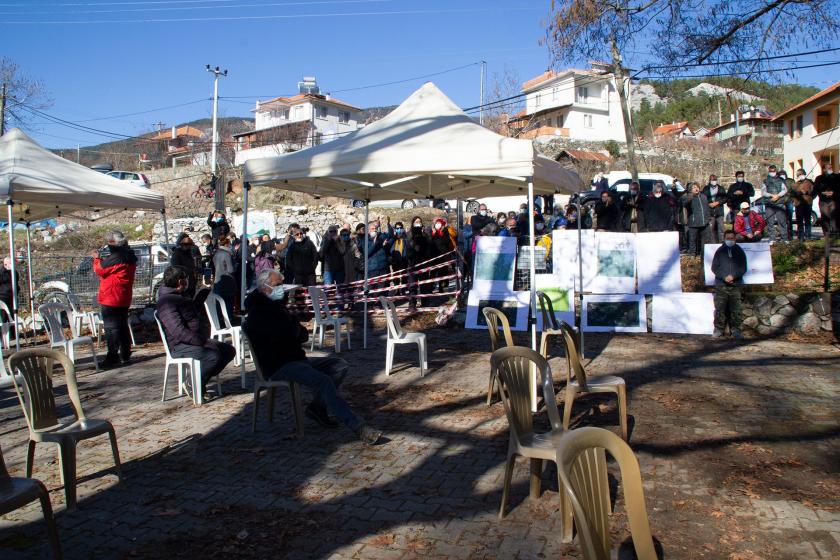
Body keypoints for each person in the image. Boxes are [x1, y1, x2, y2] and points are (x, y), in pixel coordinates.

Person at [243, 269, 381, 445]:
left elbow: (300, 335)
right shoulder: (258, 313)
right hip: (278, 365)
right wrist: (292, 331)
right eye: (278, 285)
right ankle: (357, 426)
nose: (282, 289)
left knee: (339, 365)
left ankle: (317, 408)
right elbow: (280, 338)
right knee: (323, 381)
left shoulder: (278, 307)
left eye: (282, 285)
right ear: (265, 288)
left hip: (296, 358)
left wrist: (292, 331)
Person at [157, 266, 236, 397]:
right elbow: (178, 332)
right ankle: (193, 384)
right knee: (212, 356)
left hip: (195, 340)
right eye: (185, 279)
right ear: (179, 281)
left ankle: (199, 380)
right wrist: (201, 341)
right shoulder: (166, 302)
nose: (188, 281)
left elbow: (193, 310)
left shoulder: (180, 295)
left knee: (228, 351)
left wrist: (204, 289)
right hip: (180, 345)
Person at [92, 230, 137, 367]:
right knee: (122, 326)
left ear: (113, 242)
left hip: (111, 296)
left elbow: (100, 270)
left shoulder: (117, 256)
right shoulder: (130, 255)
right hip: (124, 296)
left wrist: (96, 258)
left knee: (111, 328)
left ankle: (112, 356)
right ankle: (125, 353)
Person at [711, 230, 747, 338]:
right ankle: (718, 330)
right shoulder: (719, 251)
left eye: (732, 238)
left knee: (736, 310)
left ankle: (736, 330)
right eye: (728, 238)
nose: (730, 240)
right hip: (721, 284)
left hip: (735, 285)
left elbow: (743, 268)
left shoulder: (739, 251)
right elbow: (714, 267)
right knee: (720, 309)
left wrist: (733, 276)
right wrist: (724, 277)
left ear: (735, 239)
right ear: (724, 238)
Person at [760, 164, 789, 242]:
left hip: (780, 203)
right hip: (769, 204)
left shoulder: (781, 180)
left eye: (773, 171)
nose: (772, 172)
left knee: (782, 222)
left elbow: (785, 190)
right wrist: (771, 195)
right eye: (770, 171)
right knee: (770, 222)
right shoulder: (765, 181)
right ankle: (772, 239)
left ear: (776, 171)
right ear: (768, 171)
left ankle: (784, 238)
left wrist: (778, 196)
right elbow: (763, 192)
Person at [682, 182, 710, 257]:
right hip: (693, 222)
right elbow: (684, 204)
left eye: (696, 187)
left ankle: (704, 253)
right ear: (690, 189)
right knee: (692, 240)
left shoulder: (703, 196)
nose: (696, 188)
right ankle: (692, 254)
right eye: (693, 187)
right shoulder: (688, 197)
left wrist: (708, 218)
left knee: (705, 239)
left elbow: (707, 208)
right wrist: (690, 196)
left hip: (704, 222)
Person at [170, 233, 199, 298]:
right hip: (183, 283)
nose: (190, 247)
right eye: (188, 245)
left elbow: (191, 265)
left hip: (190, 282)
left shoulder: (188, 253)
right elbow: (175, 268)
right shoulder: (177, 253)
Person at [702, 174, 728, 244]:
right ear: (709, 180)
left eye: (715, 180)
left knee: (721, 229)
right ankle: (712, 243)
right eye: (712, 180)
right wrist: (708, 203)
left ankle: (722, 243)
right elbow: (703, 198)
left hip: (719, 211)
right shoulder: (706, 189)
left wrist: (718, 202)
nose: (714, 181)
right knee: (710, 229)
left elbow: (725, 198)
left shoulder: (721, 188)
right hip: (710, 212)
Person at [815, 162, 839, 235]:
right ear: (824, 169)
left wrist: (833, 193)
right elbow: (816, 188)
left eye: (831, 168)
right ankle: (826, 233)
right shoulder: (819, 178)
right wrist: (823, 193)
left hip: (834, 200)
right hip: (823, 200)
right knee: (825, 217)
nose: (830, 169)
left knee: (834, 216)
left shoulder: (837, 177)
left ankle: (835, 233)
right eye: (828, 168)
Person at [791, 171, 814, 241]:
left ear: (804, 174)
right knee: (799, 221)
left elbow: (814, 192)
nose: (800, 176)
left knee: (807, 220)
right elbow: (791, 194)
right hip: (798, 204)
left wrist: (807, 193)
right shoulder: (795, 184)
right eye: (798, 175)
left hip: (807, 203)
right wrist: (798, 194)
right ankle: (800, 236)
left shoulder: (810, 182)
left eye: (801, 174)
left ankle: (808, 236)